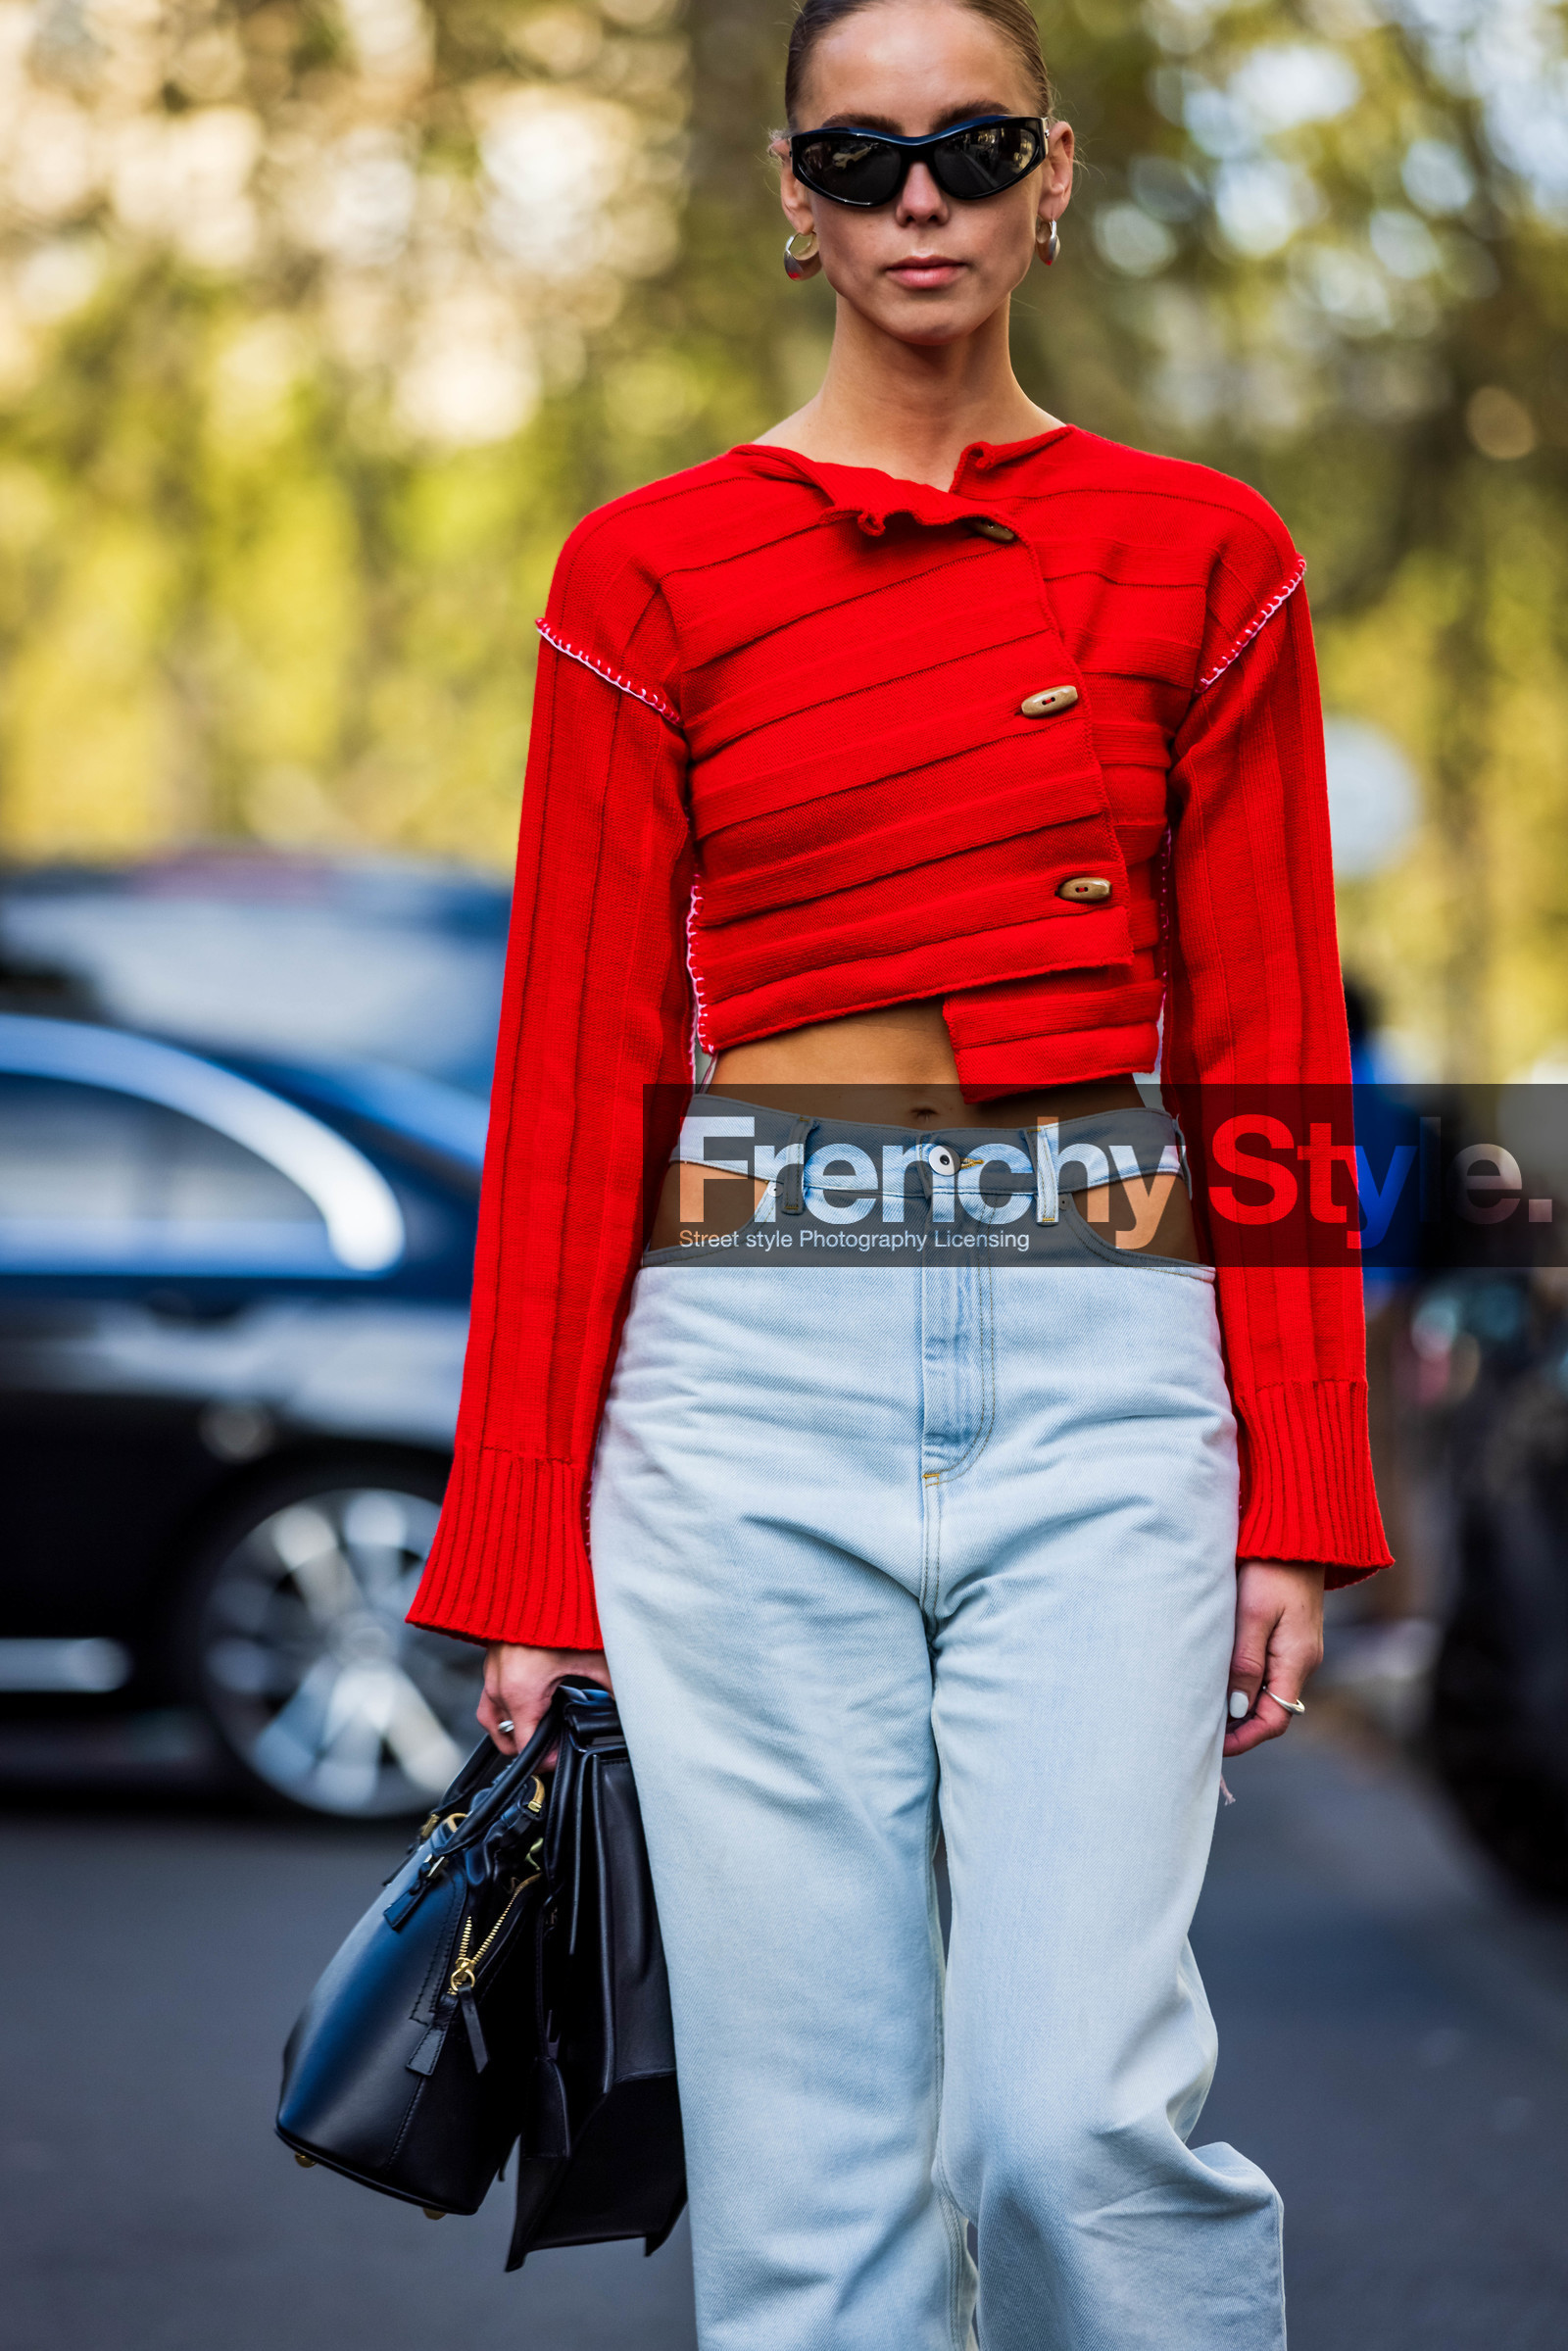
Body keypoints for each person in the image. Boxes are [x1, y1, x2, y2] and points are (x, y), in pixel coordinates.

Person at [408, 1, 1392, 2342]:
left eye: (967, 144)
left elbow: (1267, 1045)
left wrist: (1299, 1489)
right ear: (794, 197)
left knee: (1067, 2125)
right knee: (812, 2203)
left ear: (1051, 174)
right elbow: (571, 1082)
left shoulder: (1205, 554)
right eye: (859, 157)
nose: (917, 196)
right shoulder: (643, 573)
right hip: (744, 1382)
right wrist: (521, 1546)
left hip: (1097, 1363)